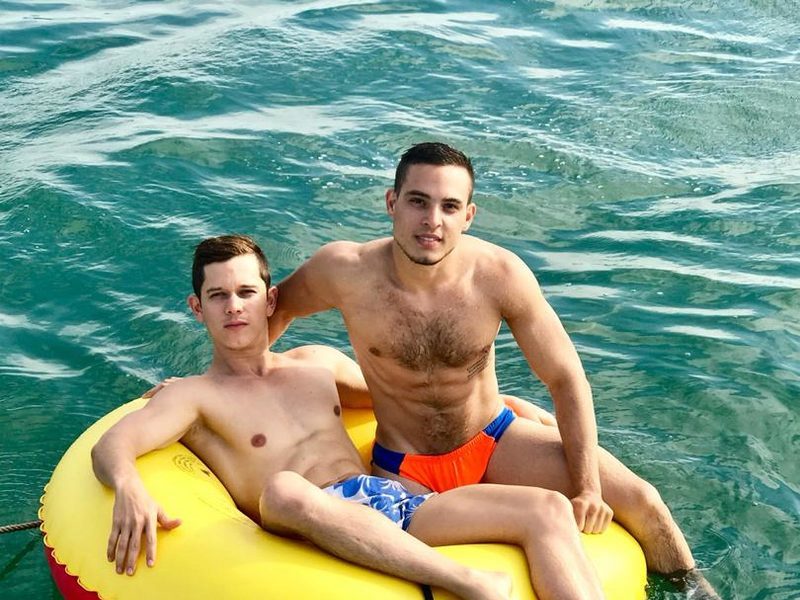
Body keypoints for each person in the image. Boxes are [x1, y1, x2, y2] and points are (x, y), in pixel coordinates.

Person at [269, 142, 718, 595]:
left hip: (493, 440)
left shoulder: (498, 275)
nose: (432, 220)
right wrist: (237, 385)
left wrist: (588, 488)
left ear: (468, 215)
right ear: (392, 202)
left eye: (449, 206)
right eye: (418, 202)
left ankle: (697, 592)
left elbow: (565, 378)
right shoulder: (345, 271)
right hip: (403, 467)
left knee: (644, 500)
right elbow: (273, 310)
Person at [92, 234, 606, 600]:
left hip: (390, 503)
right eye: (217, 296)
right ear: (196, 307)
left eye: (246, 292)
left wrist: (509, 407)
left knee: (546, 509)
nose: (234, 307)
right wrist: (130, 486)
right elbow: (111, 445)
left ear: (271, 300)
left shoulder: (317, 366)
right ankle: (467, 582)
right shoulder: (193, 397)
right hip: (302, 520)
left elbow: (408, 398)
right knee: (284, 489)